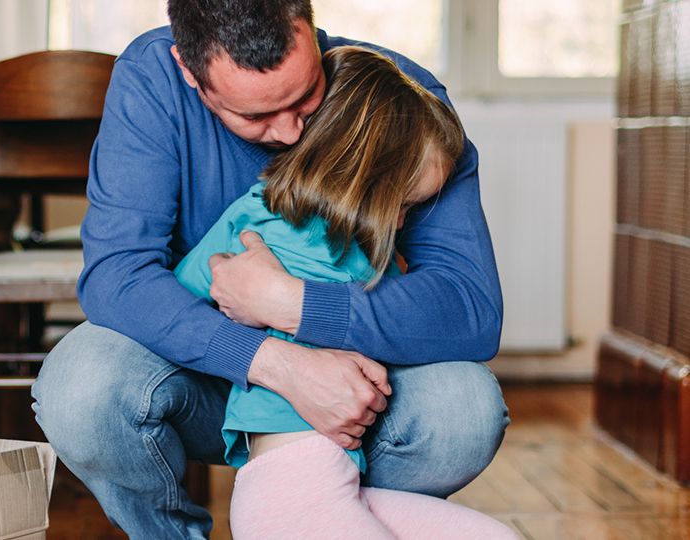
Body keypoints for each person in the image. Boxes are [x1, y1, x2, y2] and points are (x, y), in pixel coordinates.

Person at [32, 1, 509, 537]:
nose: (288, 134)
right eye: (255, 116)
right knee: (81, 389)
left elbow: (470, 309)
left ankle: (334, 511)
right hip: (202, 376)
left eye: (307, 96)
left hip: (357, 395)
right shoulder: (151, 79)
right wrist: (276, 364)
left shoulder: (395, 104)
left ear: (308, 24)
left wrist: (292, 303)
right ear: (190, 73)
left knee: (465, 410)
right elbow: (117, 277)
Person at [173, 45, 516, 540]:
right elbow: (179, 305)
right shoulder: (326, 248)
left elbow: (185, 286)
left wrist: (253, 292)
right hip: (289, 489)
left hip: (339, 480)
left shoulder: (257, 222)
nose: (400, 223)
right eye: (399, 204)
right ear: (360, 177)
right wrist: (251, 334)